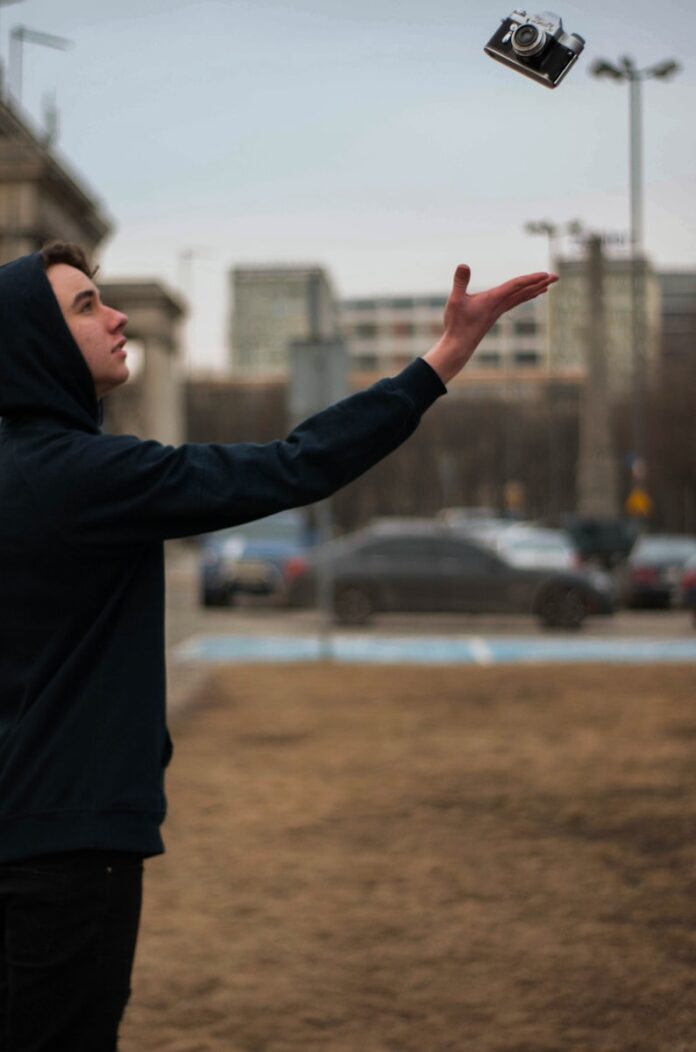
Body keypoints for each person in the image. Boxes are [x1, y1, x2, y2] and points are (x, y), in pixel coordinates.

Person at [0, 240, 556, 1051]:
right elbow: (295, 465)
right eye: (86, 306)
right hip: (68, 848)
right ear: (35, 344)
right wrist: (439, 361)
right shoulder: (89, 476)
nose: (116, 315)